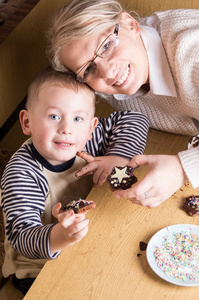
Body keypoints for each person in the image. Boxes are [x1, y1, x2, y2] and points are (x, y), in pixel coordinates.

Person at [1, 67, 149, 295]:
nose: (67, 129)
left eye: (78, 118)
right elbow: (21, 237)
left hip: (89, 238)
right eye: (53, 116)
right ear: (27, 121)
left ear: (91, 128)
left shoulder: (87, 140)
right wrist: (60, 235)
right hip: (38, 266)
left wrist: (117, 157)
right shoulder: (22, 173)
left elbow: (135, 118)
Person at [45, 0, 199, 208]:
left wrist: (181, 168)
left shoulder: (191, 52)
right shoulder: (106, 90)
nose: (108, 73)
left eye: (107, 46)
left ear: (130, 23)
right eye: (89, 69)